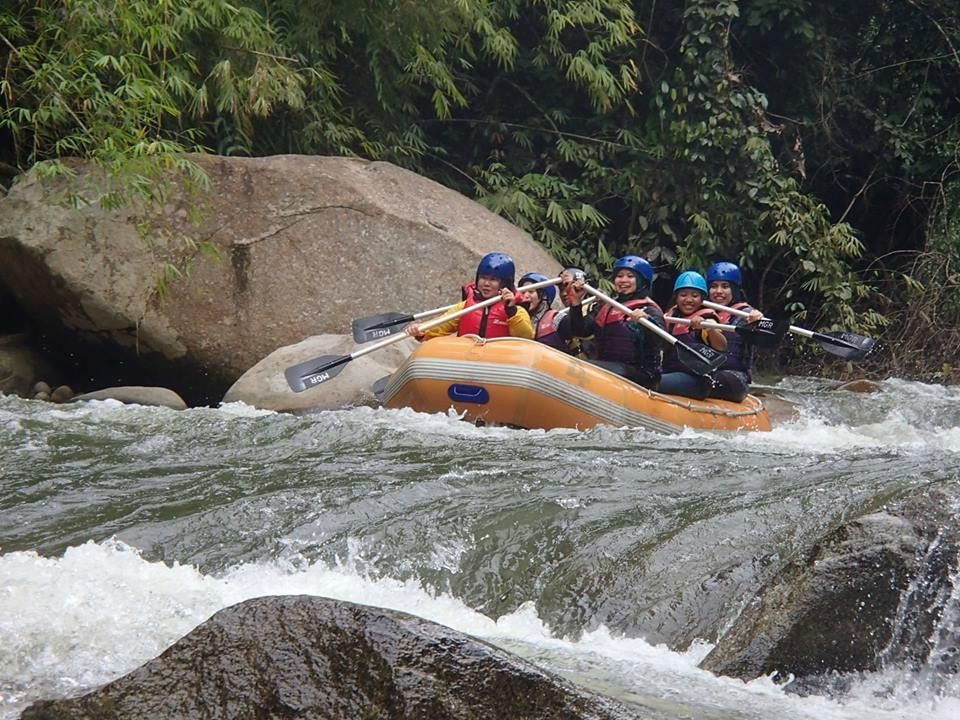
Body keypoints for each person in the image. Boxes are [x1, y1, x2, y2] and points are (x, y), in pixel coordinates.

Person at [561, 255, 666, 389]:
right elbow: (580, 331)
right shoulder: (607, 306)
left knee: (586, 367)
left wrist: (646, 321)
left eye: (630, 276)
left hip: (642, 374)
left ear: (642, 281)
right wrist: (576, 302)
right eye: (619, 276)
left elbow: (663, 343)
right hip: (609, 365)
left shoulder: (649, 309)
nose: (623, 280)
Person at [406, 252, 534, 340]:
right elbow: (442, 324)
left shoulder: (516, 311)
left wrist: (511, 311)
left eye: (493, 279)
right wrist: (422, 330)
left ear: (505, 283)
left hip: (498, 365)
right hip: (468, 362)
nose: (486, 283)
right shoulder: (466, 307)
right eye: (483, 278)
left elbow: (526, 337)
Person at [659, 271, 727, 400]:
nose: (689, 300)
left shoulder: (708, 320)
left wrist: (709, 329)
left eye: (695, 296)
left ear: (702, 299)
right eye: (683, 295)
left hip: (698, 381)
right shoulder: (670, 317)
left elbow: (721, 346)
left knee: (654, 382)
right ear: (676, 297)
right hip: (670, 372)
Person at [706, 261, 764, 402]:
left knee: (710, 380)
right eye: (714, 286)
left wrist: (758, 323)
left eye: (725, 286)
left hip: (735, 378)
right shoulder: (700, 311)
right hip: (705, 372)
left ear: (734, 289)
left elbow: (765, 339)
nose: (719, 291)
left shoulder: (745, 314)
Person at [517, 272, 568, 351]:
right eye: (523, 292)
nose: (525, 296)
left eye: (531, 291)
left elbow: (575, 327)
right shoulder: (514, 314)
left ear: (542, 296)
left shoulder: (555, 318)